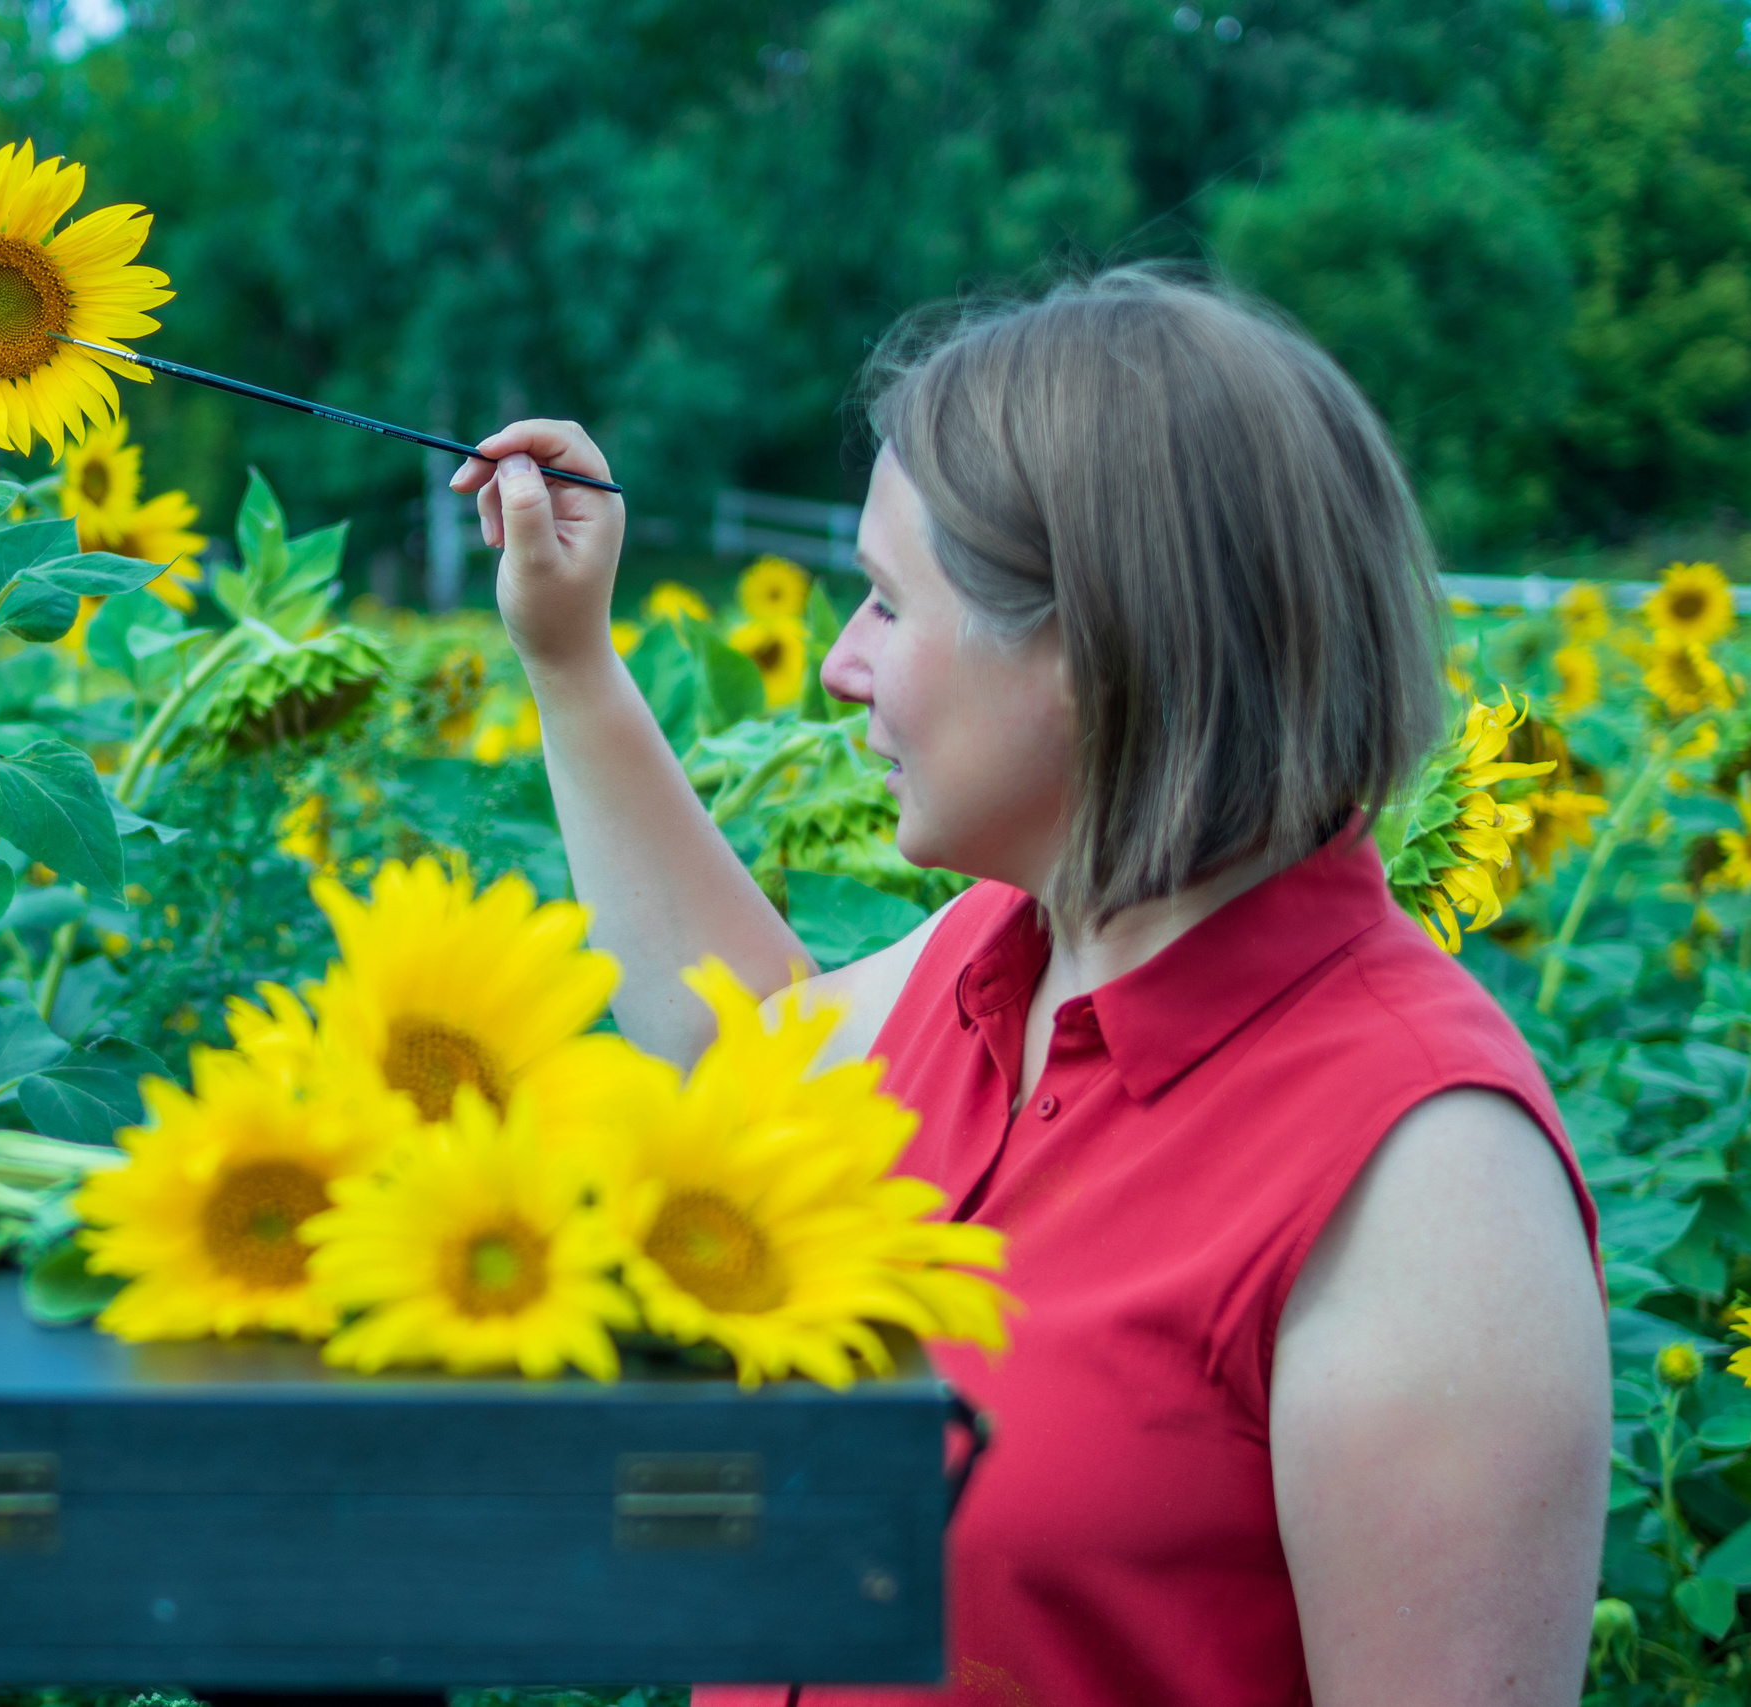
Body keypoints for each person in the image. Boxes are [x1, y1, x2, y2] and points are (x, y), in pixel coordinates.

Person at [449, 270, 1609, 1706]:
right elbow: (736, 1046)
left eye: (885, 601)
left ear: (1090, 645)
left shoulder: (1426, 1185)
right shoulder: (1005, 960)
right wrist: (570, 659)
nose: (836, 665)